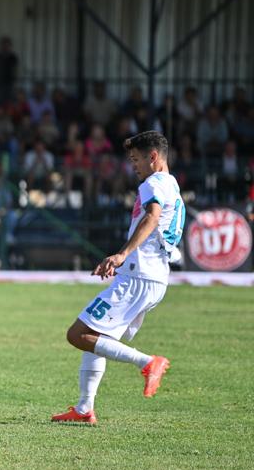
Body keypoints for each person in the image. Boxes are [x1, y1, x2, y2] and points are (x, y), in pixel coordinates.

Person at [52, 131, 182, 424]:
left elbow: (151, 216)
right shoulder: (172, 184)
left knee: (78, 334)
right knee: (98, 336)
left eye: (136, 159)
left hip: (139, 275)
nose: (133, 165)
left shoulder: (153, 183)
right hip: (154, 277)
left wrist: (122, 255)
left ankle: (148, 362)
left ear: (153, 157)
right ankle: (84, 409)